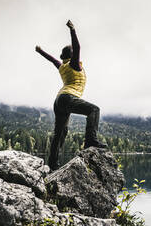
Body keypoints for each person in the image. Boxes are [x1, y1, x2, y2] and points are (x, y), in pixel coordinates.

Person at [35, 20, 107, 171]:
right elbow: (78, 47)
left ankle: (52, 165)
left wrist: (40, 51)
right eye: (74, 52)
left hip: (59, 100)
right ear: (72, 55)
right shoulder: (73, 64)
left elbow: (52, 59)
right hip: (68, 97)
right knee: (94, 110)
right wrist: (72, 29)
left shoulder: (62, 66)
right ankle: (91, 141)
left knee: (60, 133)